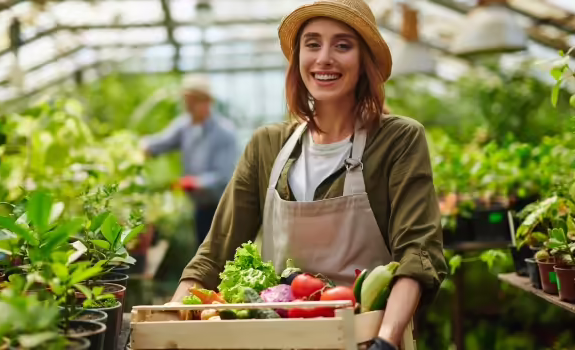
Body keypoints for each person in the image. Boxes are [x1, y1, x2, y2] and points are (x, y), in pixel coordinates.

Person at [167, 0, 447, 349]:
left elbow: (418, 254)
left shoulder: (397, 140)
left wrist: (386, 341)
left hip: (365, 337)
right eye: (312, 43)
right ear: (298, 57)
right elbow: (214, 254)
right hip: (277, 339)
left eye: (342, 45)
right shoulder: (267, 146)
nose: (324, 57)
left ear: (364, 61)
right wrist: (170, 319)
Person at [141, 74, 238, 247]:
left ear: (207, 102)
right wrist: (139, 147)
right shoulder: (185, 126)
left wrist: (195, 182)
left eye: (193, 103)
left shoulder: (224, 133)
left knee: (220, 252)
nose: (188, 108)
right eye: (186, 103)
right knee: (203, 249)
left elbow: (225, 175)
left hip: (221, 207)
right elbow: (162, 143)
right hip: (200, 205)